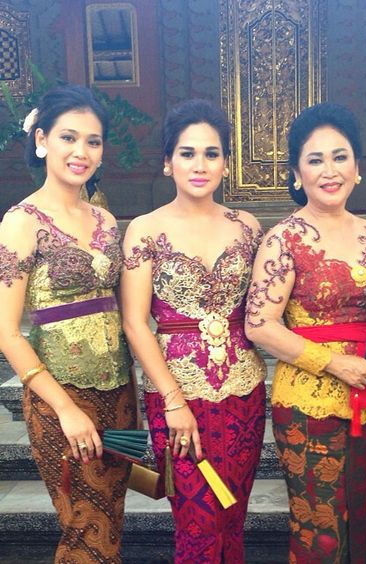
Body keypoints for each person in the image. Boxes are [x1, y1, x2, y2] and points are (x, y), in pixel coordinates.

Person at [245, 102, 366, 562]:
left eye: (340, 157)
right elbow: (259, 324)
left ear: (357, 167)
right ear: (297, 174)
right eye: (315, 160)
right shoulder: (284, 238)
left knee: (364, 513)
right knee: (319, 526)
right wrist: (333, 363)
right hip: (308, 400)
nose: (329, 170)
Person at [120, 99, 266, 563]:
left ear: (225, 163)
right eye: (187, 153)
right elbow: (134, 322)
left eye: (211, 153)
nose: (199, 165)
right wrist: (173, 401)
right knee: (197, 520)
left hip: (244, 388)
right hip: (177, 393)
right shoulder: (145, 230)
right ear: (168, 162)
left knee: (232, 513)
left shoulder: (248, 227)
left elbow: (266, 309)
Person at [0, 85, 137, 563]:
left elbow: (124, 311)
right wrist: (64, 409)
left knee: (110, 522)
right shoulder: (21, 222)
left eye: (93, 141)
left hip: (119, 393)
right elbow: (7, 332)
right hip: (61, 396)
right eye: (68, 137)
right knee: (84, 527)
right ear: (41, 140)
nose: (82, 152)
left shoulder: (106, 221)